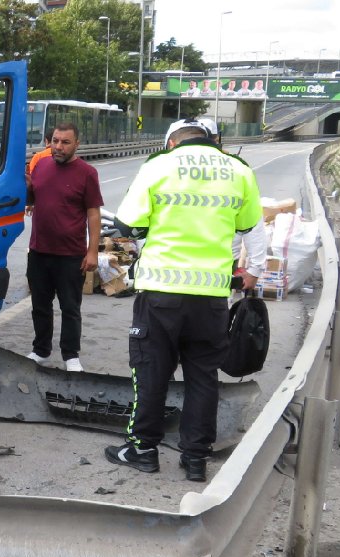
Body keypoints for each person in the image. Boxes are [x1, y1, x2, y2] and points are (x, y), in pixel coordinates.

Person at [104, 118, 262, 483]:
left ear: (172, 142)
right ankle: (195, 459)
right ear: (208, 140)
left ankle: (143, 450)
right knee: (203, 377)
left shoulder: (158, 164)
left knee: (151, 371)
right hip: (210, 298)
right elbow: (247, 223)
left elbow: (128, 224)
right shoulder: (238, 169)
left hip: (161, 292)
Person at [24, 122, 103, 373]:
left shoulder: (87, 173)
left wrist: (92, 251)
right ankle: (41, 350)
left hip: (70, 255)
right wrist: (26, 189)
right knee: (40, 305)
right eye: (55, 141)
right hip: (39, 251)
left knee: (70, 307)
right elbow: (32, 201)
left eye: (65, 142)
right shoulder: (41, 166)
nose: (58, 146)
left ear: (76, 144)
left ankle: (71, 355)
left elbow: (93, 214)